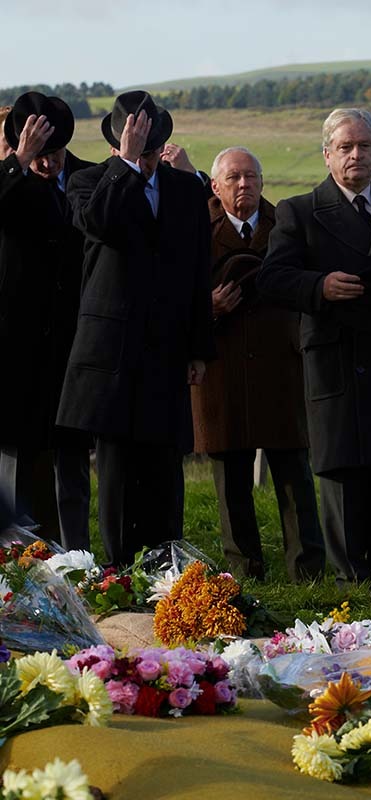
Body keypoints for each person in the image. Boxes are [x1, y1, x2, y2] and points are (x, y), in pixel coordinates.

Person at [257, 108, 371, 596]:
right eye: (345, 147)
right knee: (341, 475)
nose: (356, 155)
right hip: (337, 364)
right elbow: (272, 278)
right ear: (327, 154)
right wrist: (320, 286)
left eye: (364, 146)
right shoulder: (300, 211)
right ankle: (351, 588)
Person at [58, 91, 214, 566]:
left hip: (166, 348)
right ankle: (119, 571)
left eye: (151, 152)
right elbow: (98, 222)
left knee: (165, 471)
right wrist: (124, 165)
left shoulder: (186, 191)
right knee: (119, 472)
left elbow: (197, 270)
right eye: (137, 150)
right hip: (112, 355)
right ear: (118, 145)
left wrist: (199, 347)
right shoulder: (88, 182)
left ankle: (166, 574)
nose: (146, 162)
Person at [191, 146, 325, 582]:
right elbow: (172, 290)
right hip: (222, 367)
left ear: (262, 182)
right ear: (215, 186)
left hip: (280, 364)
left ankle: (306, 569)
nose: (244, 185)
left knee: (293, 471)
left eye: (251, 176)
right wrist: (206, 307)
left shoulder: (285, 224)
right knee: (230, 475)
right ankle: (244, 572)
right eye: (233, 178)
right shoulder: (195, 228)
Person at [0, 93, 94, 550]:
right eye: (38, 154)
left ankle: (76, 560)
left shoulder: (87, 178)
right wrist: (18, 161)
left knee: (71, 462)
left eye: (53, 155)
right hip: (16, 351)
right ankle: (16, 564)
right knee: (17, 462)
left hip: (72, 348)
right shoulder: (10, 180)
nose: (47, 165)